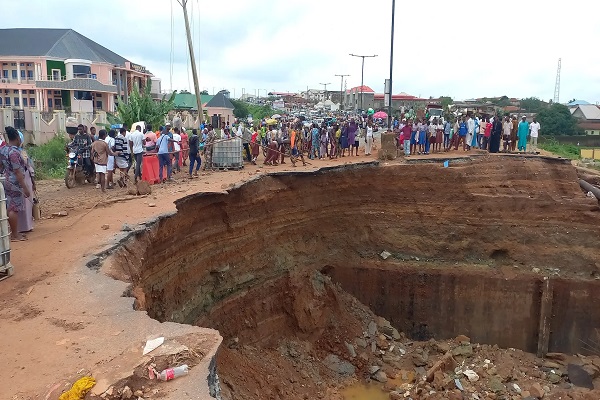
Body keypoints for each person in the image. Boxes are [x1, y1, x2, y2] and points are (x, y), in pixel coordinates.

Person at [0, 127, 31, 241]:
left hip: (5, 180)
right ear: (18, 138)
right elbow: (18, 172)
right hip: (14, 182)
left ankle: (14, 232)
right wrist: (25, 188)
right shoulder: (14, 152)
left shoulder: (3, 149)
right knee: (13, 208)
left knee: (9, 206)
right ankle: (15, 235)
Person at [17, 134, 35, 233]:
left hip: (14, 180)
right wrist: (33, 181)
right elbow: (29, 166)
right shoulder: (22, 153)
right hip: (25, 178)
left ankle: (18, 227)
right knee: (27, 202)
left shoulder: (7, 151)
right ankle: (26, 226)